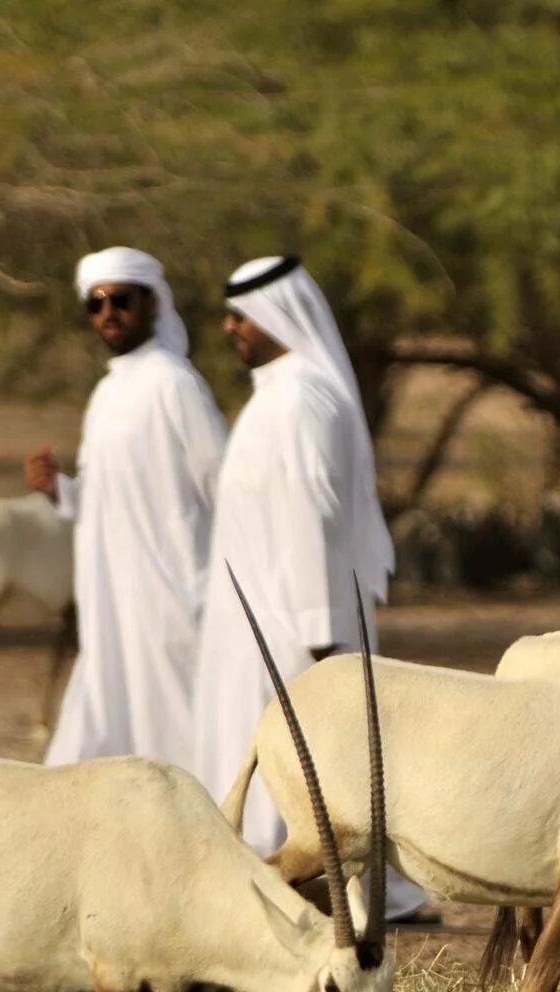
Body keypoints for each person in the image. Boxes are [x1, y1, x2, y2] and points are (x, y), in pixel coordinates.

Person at [192, 254, 434, 923]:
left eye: (242, 314)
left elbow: (308, 521)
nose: (229, 327)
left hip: (291, 628)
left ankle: (309, 888)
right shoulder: (278, 396)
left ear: (279, 313)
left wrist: (321, 636)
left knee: (299, 765)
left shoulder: (300, 400)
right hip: (256, 624)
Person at [25, 247, 225, 769]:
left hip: (173, 593)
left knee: (179, 729)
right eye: (95, 303)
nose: (108, 312)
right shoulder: (108, 392)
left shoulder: (175, 383)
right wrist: (60, 490)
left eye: (120, 299)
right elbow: (105, 495)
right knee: (104, 720)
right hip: (112, 596)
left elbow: (224, 482)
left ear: (153, 303)